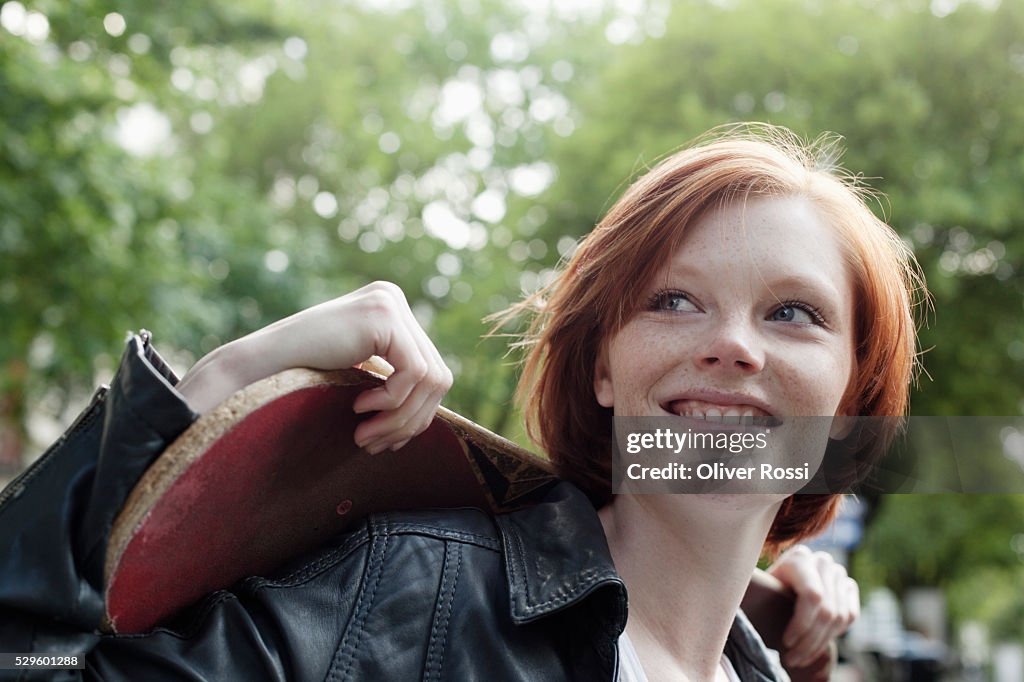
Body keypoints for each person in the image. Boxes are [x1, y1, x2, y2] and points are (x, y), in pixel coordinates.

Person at [0, 123, 921, 681]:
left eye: (794, 313)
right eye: (674, 300)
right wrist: (212, 392)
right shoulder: (407, 596)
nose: (734, 344)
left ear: (848, 407)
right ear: (604, 369)